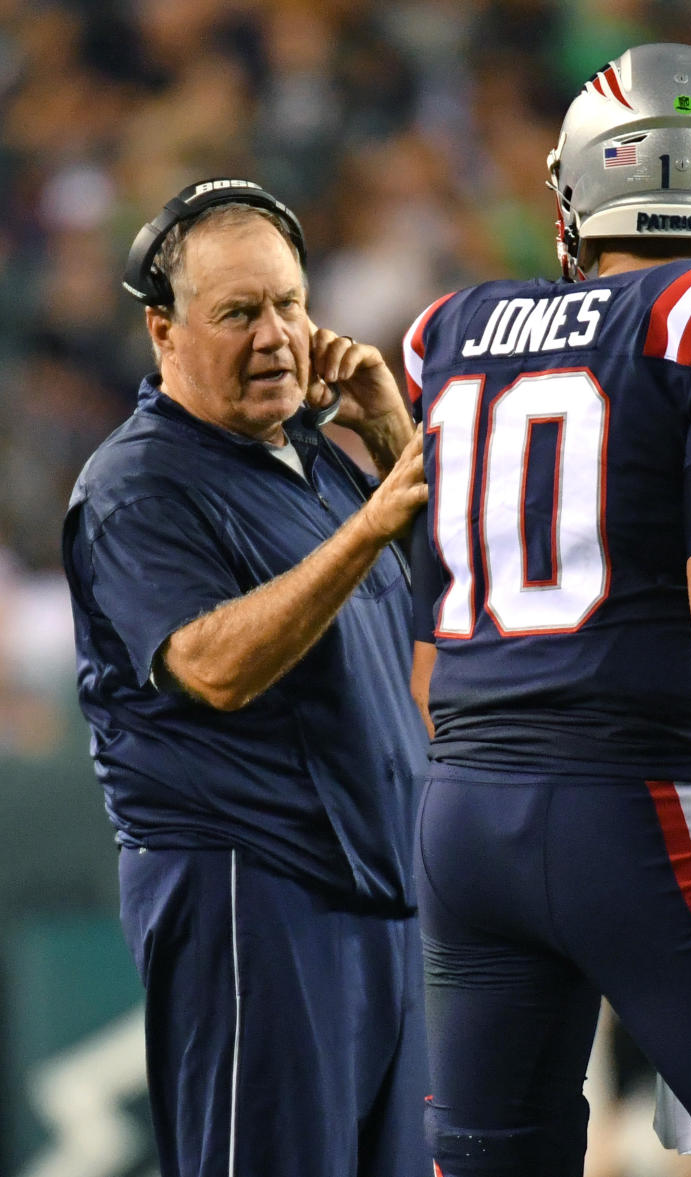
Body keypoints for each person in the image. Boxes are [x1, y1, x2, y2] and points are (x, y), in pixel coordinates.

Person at [402, 44, 691, 1177]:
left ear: (580, 189)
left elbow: (429, 634)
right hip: (642, 809)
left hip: (465, 813)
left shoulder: (453, 329)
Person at [62, 179, 432, 1177]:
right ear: (163, 331)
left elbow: (451, 605)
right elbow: (213, 667)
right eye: (237, 312)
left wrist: (391, 431)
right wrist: (365, 527)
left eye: (289, 304)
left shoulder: (315, 458)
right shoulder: (138, 486)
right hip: (252, 890)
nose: (275, 335)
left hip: (380, 890)